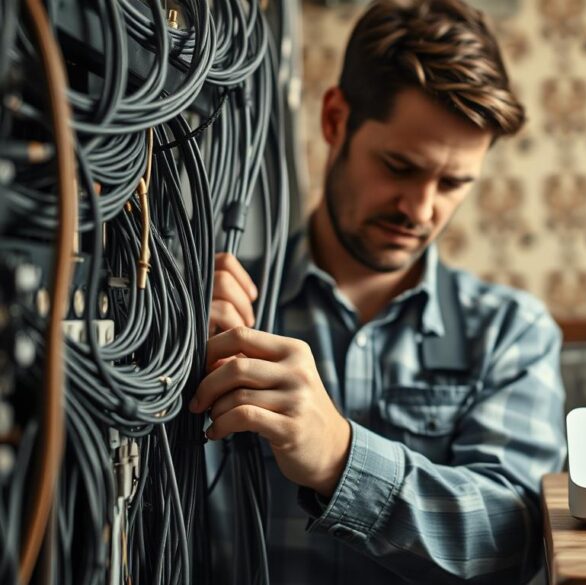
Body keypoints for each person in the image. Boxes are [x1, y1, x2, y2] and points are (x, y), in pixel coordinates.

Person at [188, 1, 566, 583]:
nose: (421, 209)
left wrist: (339, 458)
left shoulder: (512, 332)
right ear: (335, 120)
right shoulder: (217, 307)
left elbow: (513, 538)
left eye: (453, 182)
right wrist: (179, 344)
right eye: (399, 166)